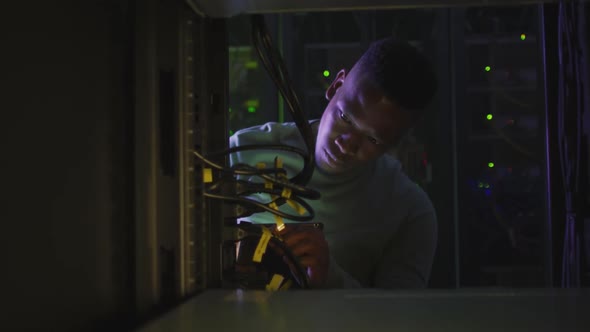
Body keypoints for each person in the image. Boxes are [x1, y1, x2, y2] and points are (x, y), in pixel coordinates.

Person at [229, 37, 438, 289]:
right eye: (345, 117)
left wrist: (329, 276)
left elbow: (401, 320)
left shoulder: (409, 211)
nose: (347, 143)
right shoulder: (242, 153)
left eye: (372, 138)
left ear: (395, 142)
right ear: (335, 85)